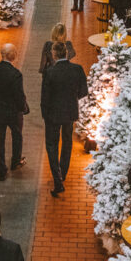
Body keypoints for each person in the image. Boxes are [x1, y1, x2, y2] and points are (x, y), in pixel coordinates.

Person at [40, 41, 88, 197]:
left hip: (52, 115)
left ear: (54, 54)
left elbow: (45, 97)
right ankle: (63, 172)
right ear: (67, 53)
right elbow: (83, 91)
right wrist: (71, 99)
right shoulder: (77, 69)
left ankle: (57, 178)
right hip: (69, 113)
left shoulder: (50, 72)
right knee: (67, 142)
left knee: (52, 145)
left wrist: (45, 114)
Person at [0, 44, 28, 181]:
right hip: (13, 112)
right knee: (17, 136)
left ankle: (2, 169)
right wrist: (24, 108)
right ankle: (15, 161)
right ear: (12, 55)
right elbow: (19, 95)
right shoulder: (16, 74)